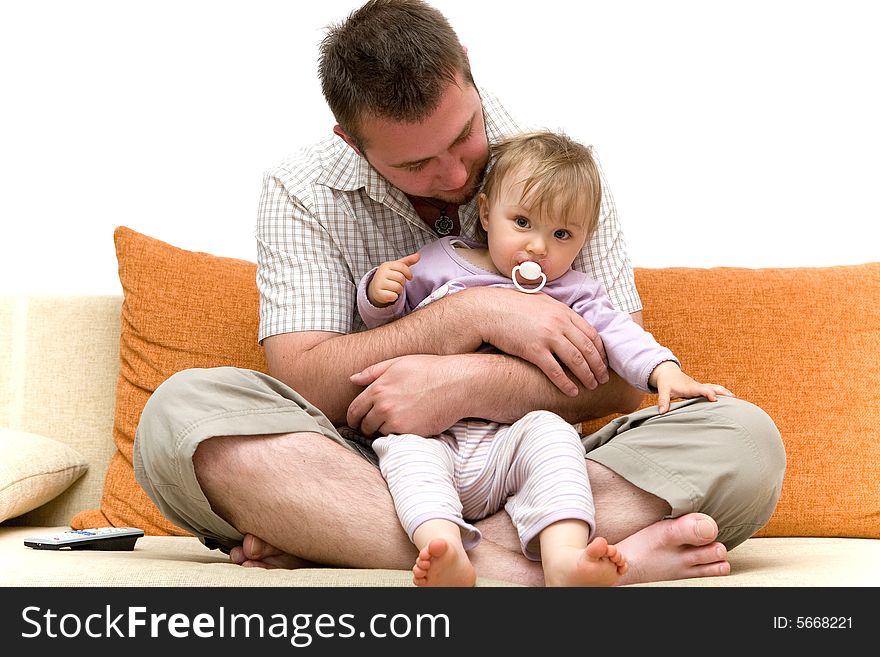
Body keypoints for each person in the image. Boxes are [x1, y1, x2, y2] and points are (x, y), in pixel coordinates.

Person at [133, 0, 785, 586]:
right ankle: (540, 569)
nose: (453, 175)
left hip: (529, 457)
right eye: (415, 164)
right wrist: (465, 315)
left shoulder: (557, 172)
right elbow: (305, 380)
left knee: (746, 440)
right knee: (179, 416)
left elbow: (618, 381)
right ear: (351, 140)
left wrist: (467, 382)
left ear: (467, 69)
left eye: (462, 136)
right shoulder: (299, 191)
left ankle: (338, 536)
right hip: (371, 462)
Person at [358, 131, 734, 586]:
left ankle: (564, 559)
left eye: (560, 234)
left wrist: (663, 371)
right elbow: (391, 330)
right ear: (485, 212)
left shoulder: (575, 292)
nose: (538, 246)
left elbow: (619, 333)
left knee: (553, 435)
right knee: (403, 452)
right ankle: (445, 549)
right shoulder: (441, 261)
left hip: (513, 445)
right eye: (522, 222)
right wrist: (377, 294)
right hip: (436, 436)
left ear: (583, 242)